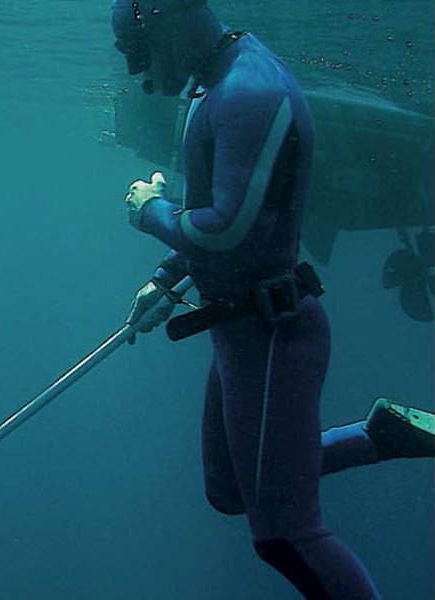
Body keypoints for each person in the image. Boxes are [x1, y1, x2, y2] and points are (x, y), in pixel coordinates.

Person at [109, 1, 435, 598]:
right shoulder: (215, 83)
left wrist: (149, 211)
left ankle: (373, 442)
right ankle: (379, 437)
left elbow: (224, 228)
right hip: (241, 329)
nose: (136, 71)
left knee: (286, 533)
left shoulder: (247, 93)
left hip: (271, 333)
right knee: (230, 488)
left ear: (166, 24)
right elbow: (227, 223)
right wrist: (165, 278)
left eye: (137, 50)